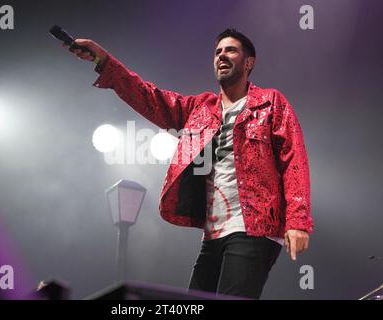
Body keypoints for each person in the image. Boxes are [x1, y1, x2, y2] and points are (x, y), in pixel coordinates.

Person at [65, 28, 313, 299]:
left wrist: (297, 221)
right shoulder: (201, 108)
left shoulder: (271, 102)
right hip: (213, 233)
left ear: (249, 62)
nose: (222, 56)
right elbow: (151, 98)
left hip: (255, 228)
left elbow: (294, 158)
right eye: (218, 52)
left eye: (230, 50)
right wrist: (104, 61)